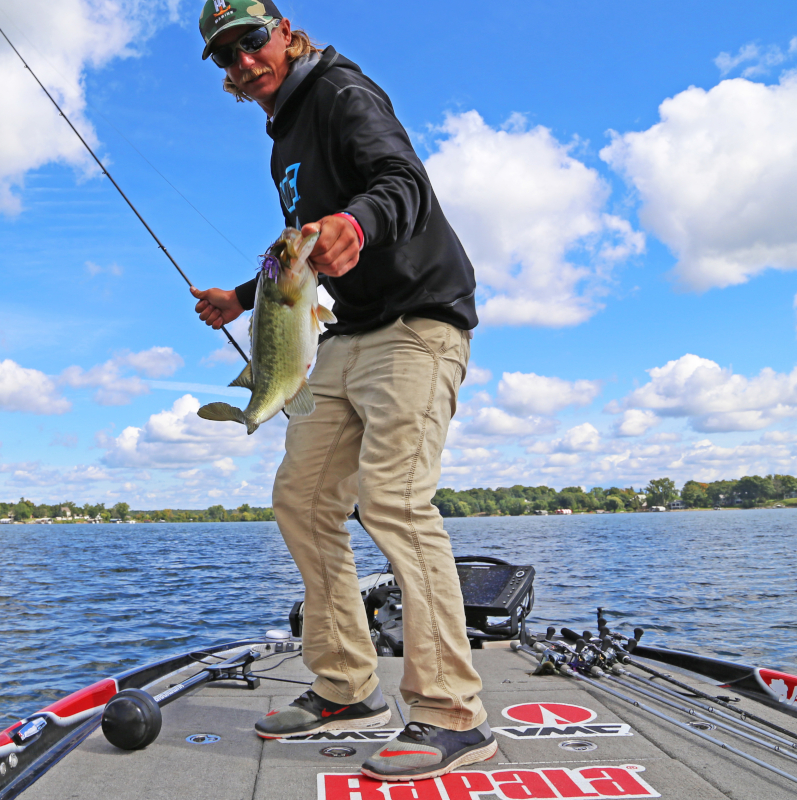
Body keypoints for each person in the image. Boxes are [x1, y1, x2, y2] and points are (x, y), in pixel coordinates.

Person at [190, 1, 496, 782]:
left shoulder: (341, 93)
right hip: (348, 335)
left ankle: (452, 714)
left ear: (285, 32)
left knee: (393, 500)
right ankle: (347, 688)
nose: (243, 62)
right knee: (302, 499)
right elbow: (296, 254)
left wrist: (359, 224)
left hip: (420, 323)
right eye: (226, 56)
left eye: (252, 41)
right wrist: (240, 295)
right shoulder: (282, 136)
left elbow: (402, 182)